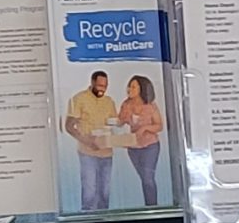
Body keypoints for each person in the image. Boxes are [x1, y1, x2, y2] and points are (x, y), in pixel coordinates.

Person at [64, 70, 121, 213]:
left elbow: (115, 125)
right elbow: (69, 126)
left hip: (107, 153)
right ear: (92, 82)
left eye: (105, 86)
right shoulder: (79, 99)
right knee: (90, 191)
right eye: (100, 85)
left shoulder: (109, 102)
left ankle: (103, 222)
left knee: (105, 192)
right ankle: (87, 220)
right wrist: (87, 140)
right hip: (87, 152)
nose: (103, 88)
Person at [119, 75, 168, 207]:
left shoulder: (151, 106)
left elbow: (159, 126)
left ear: (141, 89)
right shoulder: (126, 104)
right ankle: (149, 206)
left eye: (133, 86)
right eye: (129, 86)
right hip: (133, 148)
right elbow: (119, 122)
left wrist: (145, 128)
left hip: (150, 146)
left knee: (148, 178)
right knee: (144, 178)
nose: (129, 89)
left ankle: (153, 207)